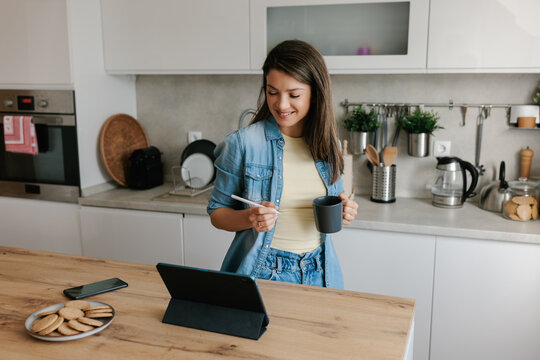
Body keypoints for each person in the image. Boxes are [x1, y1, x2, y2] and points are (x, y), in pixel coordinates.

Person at [207, 40, 358, 289]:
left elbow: (334, 202)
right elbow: (217, 213)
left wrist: (344, 210)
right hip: (264, 272)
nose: (281, 105)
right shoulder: (243, 143)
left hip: (321, 271)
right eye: (272, 92)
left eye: (294, 95)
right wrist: (250, 218)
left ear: (315, 93)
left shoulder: (327, 144)